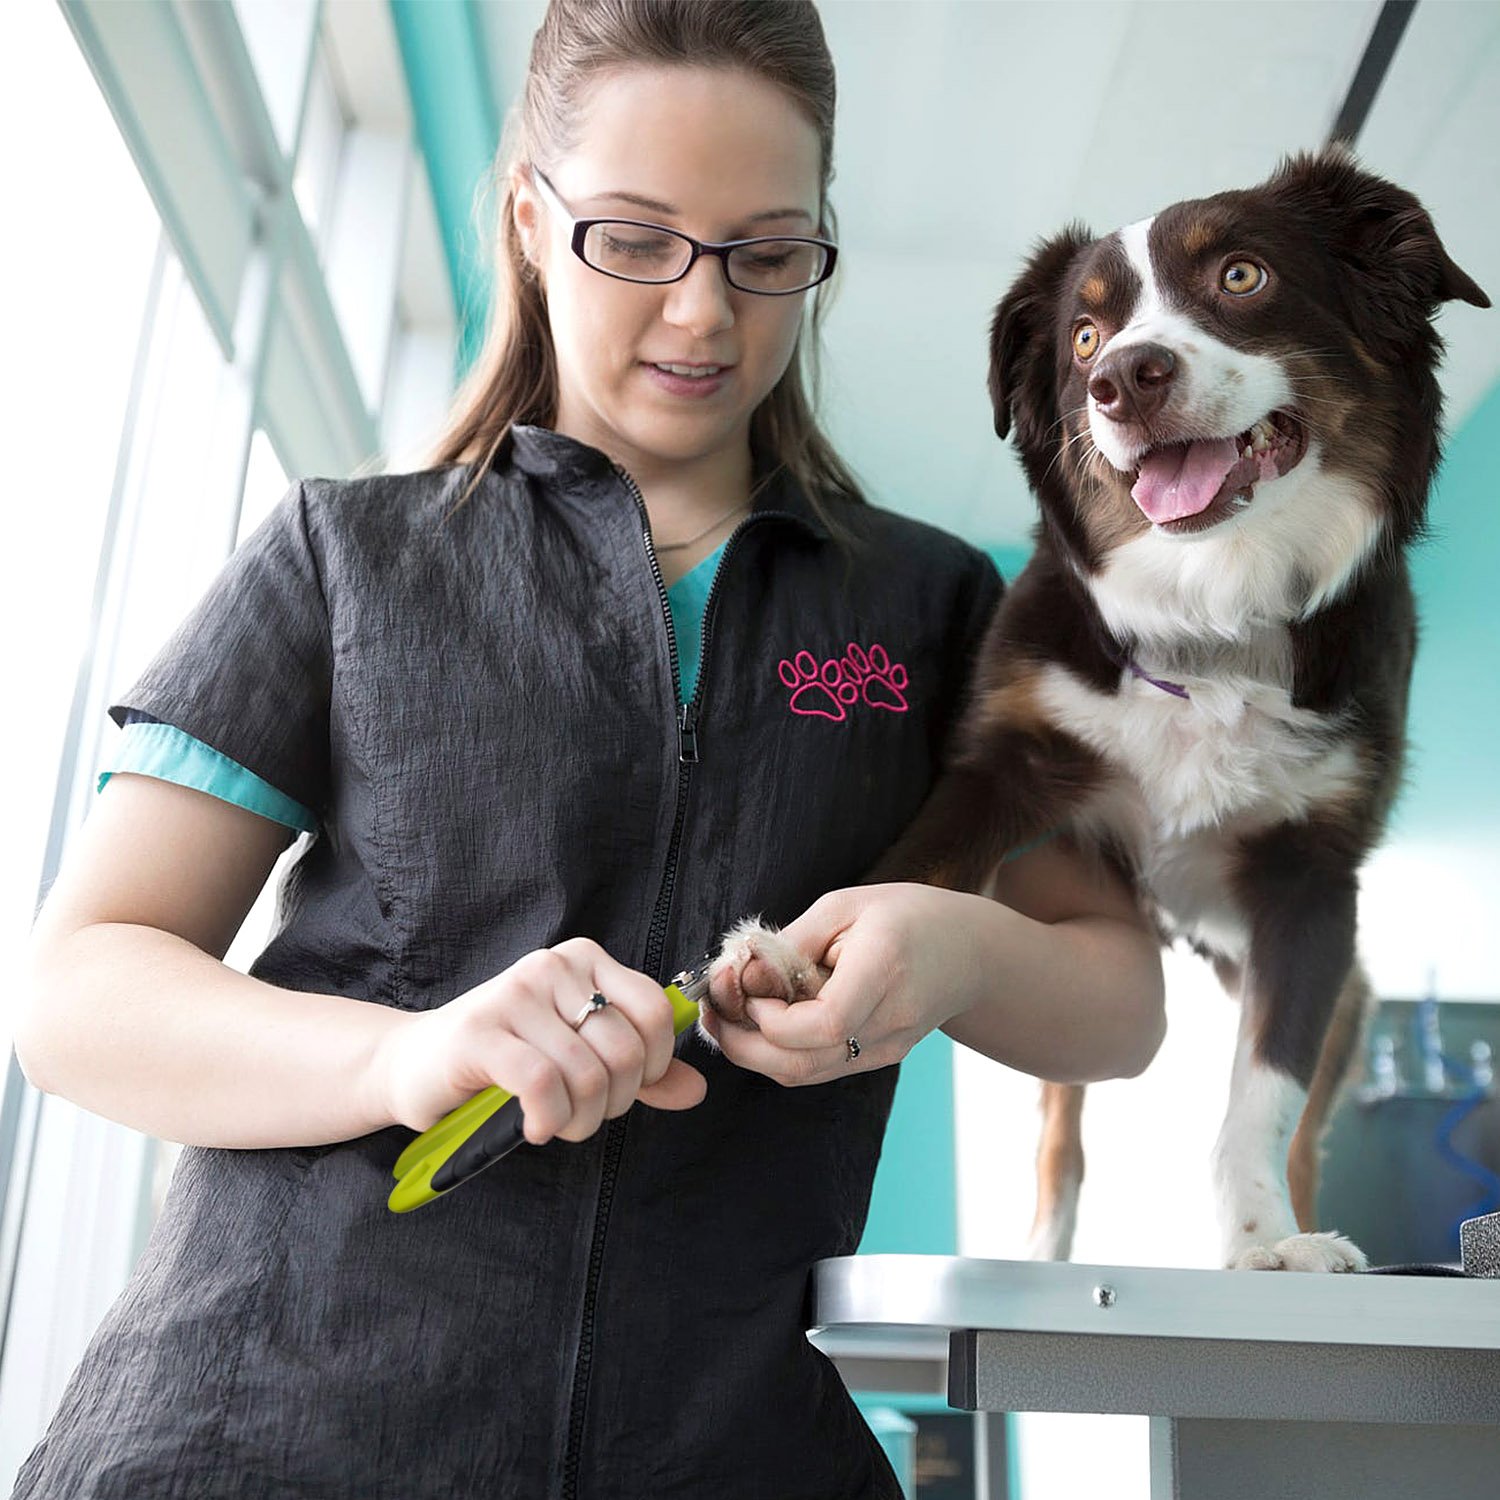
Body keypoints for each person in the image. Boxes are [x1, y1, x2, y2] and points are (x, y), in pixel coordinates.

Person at [13, 2, 1164, 1495]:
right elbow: (78, 995)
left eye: (764, 254)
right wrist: (406, 1052)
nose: (703, 317)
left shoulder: (943, 607)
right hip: (262, 1431)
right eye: (634, 240)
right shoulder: (347, 558)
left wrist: (957, 952)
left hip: (727, 1447)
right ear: (530, 223)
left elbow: (1117, 1003)